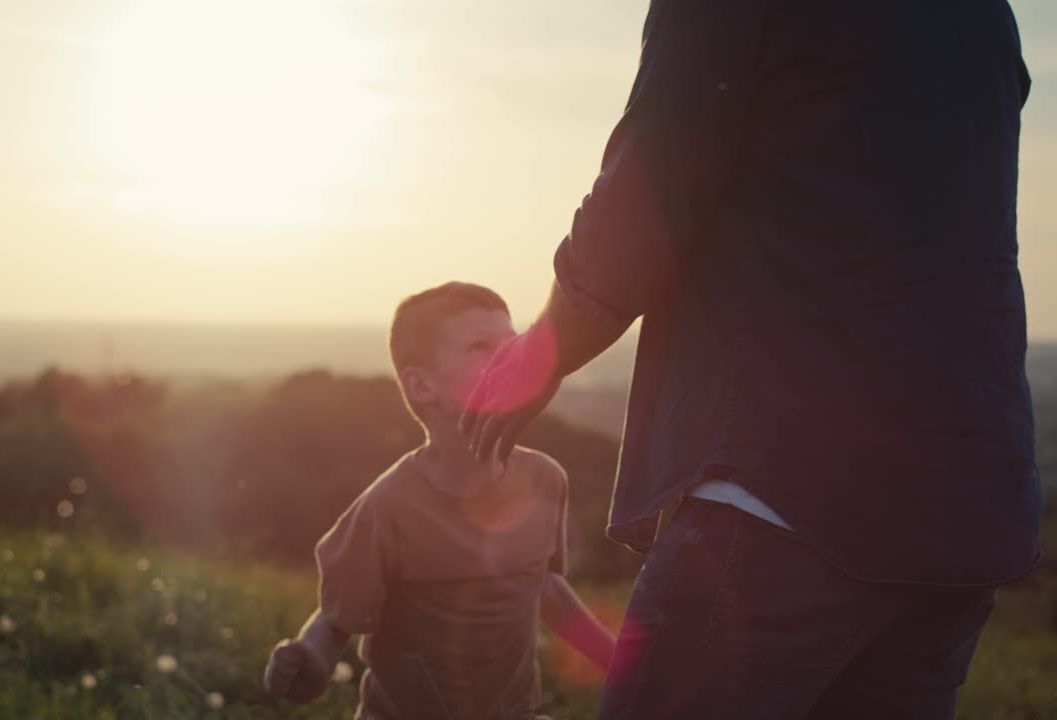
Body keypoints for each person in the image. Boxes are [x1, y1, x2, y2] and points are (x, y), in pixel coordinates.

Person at [459, 0, 1042, 718]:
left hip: (788, 486)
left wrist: (550, 344)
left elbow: (655, 179)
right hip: (961, 500)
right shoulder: (984, 14)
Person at [263, 282, 615, 720]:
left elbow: (541, 583)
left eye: (513, 343)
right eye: (480, 347)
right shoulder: (388, 506)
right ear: (422, 386)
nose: (509, 359)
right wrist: (312, 657)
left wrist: (616, 661)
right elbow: (337, 616)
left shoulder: (546, 480)